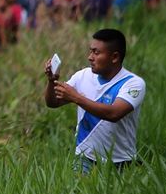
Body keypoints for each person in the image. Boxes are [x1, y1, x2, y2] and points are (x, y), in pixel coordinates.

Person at [44, 28, 146, 173]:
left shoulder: (133, 83)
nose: (90, 57)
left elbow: (114, 114)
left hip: (121, 161)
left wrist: (76, 97)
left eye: (96, 53)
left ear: (114, 57)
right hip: (84, 158)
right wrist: (51, 81)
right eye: (90, 51)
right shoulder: (82, 76)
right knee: (79, 187)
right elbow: (52, 103)